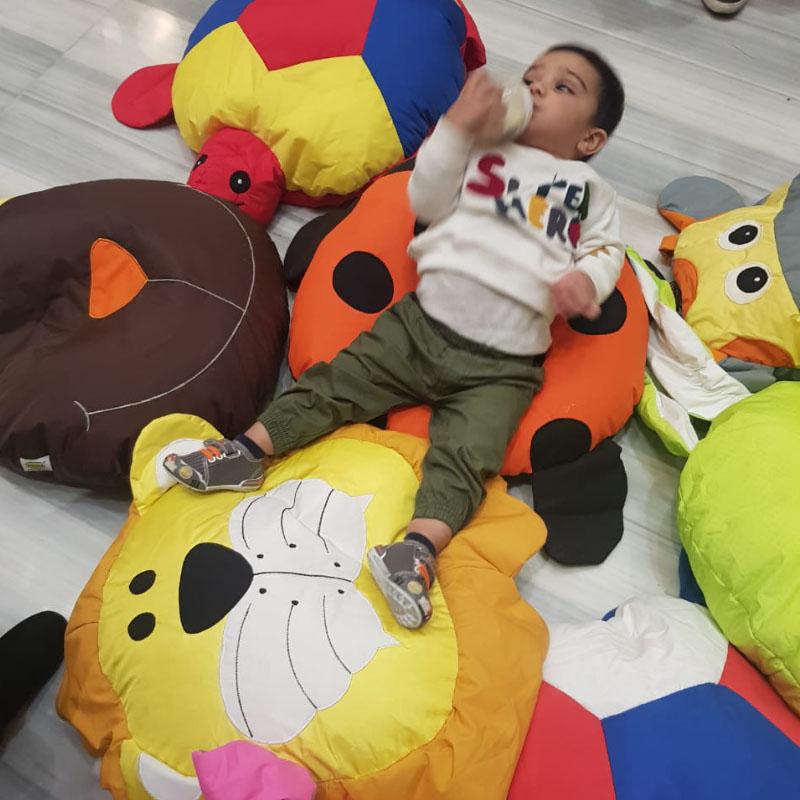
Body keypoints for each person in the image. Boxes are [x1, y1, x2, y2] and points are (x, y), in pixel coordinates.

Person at [164, 44, 626, 630]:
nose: (536, 87)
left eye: (563, 87)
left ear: (590, 139)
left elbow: (605, 250)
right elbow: (425, 198)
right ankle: (247, 452)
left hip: (504, 366)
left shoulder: (589, 190)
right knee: (335, 383)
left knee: (468, 457)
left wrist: (586, 280)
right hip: (418, 326)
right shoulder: (482, 151)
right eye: (532, 76)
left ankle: (416, 551)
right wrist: (456, 129)